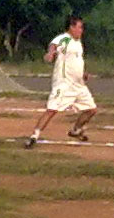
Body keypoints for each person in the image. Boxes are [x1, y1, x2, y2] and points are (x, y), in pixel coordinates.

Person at [25, 16, 98, 149]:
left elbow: (76, 61)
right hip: (64, 84)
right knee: (52, 110)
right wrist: (50, 53)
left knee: (91, 110)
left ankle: (76, 130)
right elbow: (54, 45)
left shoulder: (78, 43)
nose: (81, 30)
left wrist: (83, 73)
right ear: (71, 27)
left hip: (78, 85)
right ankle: (34, 136)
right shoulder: (64, 38)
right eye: (79, 27)